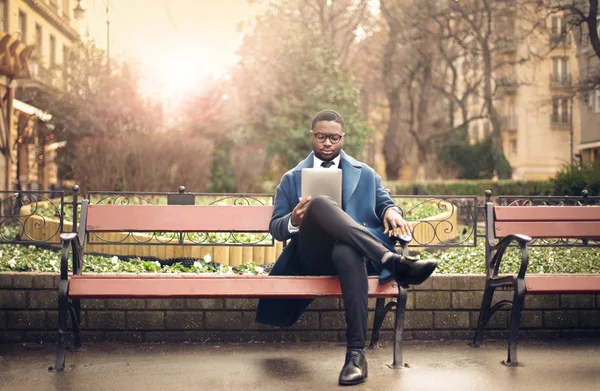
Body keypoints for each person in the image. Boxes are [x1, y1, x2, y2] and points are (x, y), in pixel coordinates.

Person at [255, 110, 438, 386]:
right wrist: (294, 219)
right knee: (318, 203)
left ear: (342, 138)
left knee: (347, 250)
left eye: (334, 137)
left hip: (351, 257)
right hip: (311, 258)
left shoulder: (365, 173)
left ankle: (356, 356)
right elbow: (276, 227)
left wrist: (391, 210)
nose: (327, 143)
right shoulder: (292, 177)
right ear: (312, 136)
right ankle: (390, 260)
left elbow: (385, 201)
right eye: (321, 136)